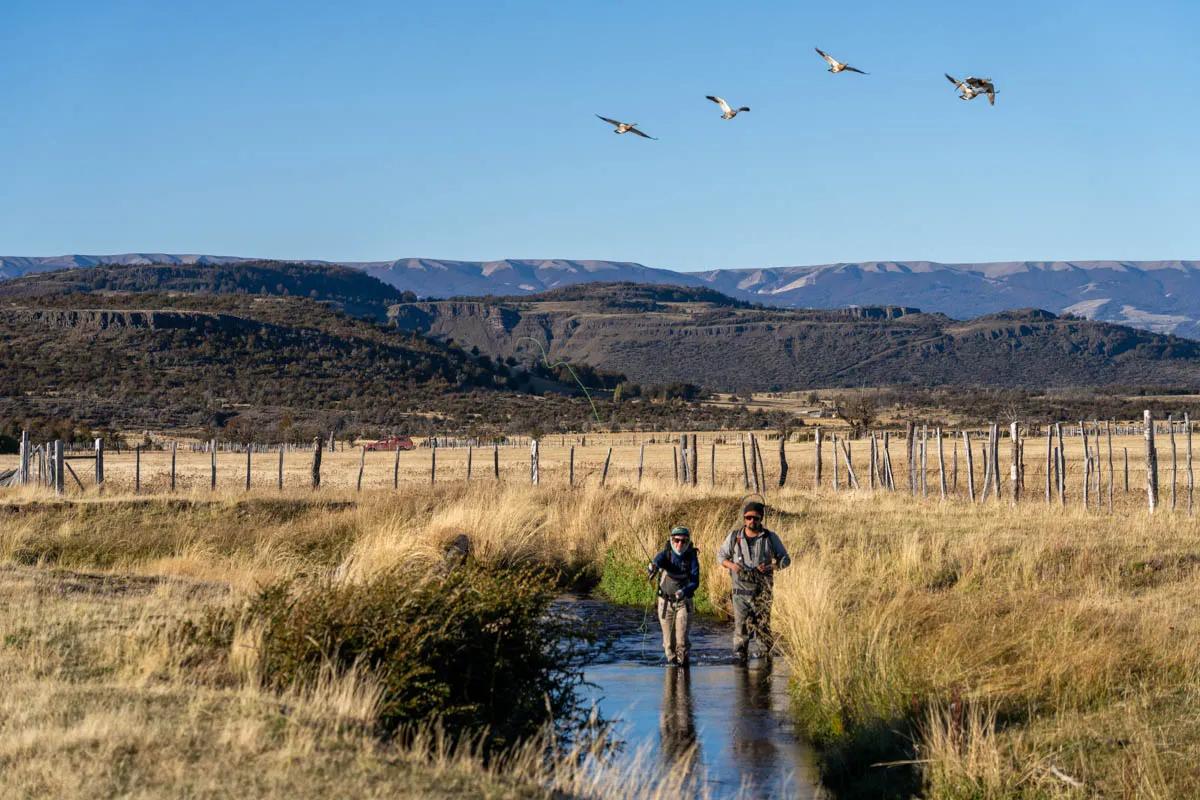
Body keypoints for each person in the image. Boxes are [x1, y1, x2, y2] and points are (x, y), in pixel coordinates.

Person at [717, 500, 791, 662]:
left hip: (762, 593)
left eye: (756, 518)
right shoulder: (734, 537)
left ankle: (765, 661)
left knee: (763, 629)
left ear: (761, 519)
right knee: (740, 629)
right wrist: (732, 566)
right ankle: (740, 660)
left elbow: (786, 560)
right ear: (744, 519)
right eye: (749, 518)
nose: (752, 521)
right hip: (739, 594)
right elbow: (721, 556)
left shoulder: (770, 537)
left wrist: (772, 566)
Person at [646, 525, 700, 666]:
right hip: (665, 603)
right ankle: (672, 669)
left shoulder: (692, 557)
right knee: (669, 643)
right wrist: (652, 568)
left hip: (684, 603)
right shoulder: (666, 554)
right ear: (671, 540)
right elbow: (656, 562)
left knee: (681, 641)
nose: (679, 544)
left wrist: (684, 591)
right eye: (676, 540)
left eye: (683, 541)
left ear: (688, 542)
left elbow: (695, 582)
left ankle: (683, 671)